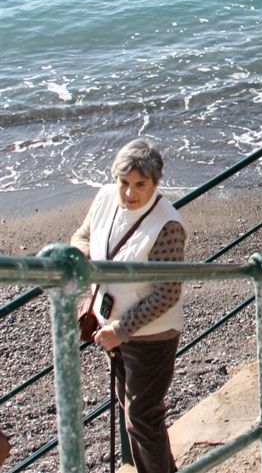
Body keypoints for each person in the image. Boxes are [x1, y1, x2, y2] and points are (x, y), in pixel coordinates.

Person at [69, 139, 186, 473]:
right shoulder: (106, 197)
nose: (129, 194)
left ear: (155, 184)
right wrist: (81, 256)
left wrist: (121, 330)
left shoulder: (168, 226)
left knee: (141, 416)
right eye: (124, 183)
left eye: (140, 185)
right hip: (111, 328)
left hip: (151, 336)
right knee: (138, 412)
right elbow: (83, 236)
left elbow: (166, 293)